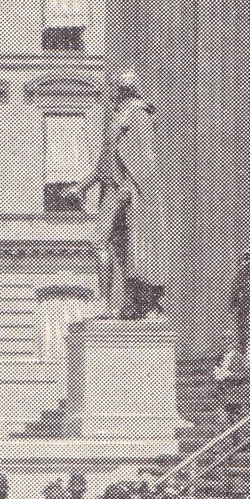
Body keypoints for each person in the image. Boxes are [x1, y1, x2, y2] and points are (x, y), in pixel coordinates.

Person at [83, 70, 172, 317]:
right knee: (116, 247)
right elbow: (104, 163)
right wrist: (82, 187)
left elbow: (145, 159)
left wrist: (132, 188)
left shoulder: (137, 113)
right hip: (112, 189)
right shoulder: (116, 117)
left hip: (125, 190)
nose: (109, 92)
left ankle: (109, 302)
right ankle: (116, 303)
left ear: (123, 90)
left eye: (114, 88)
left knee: (108, 243)